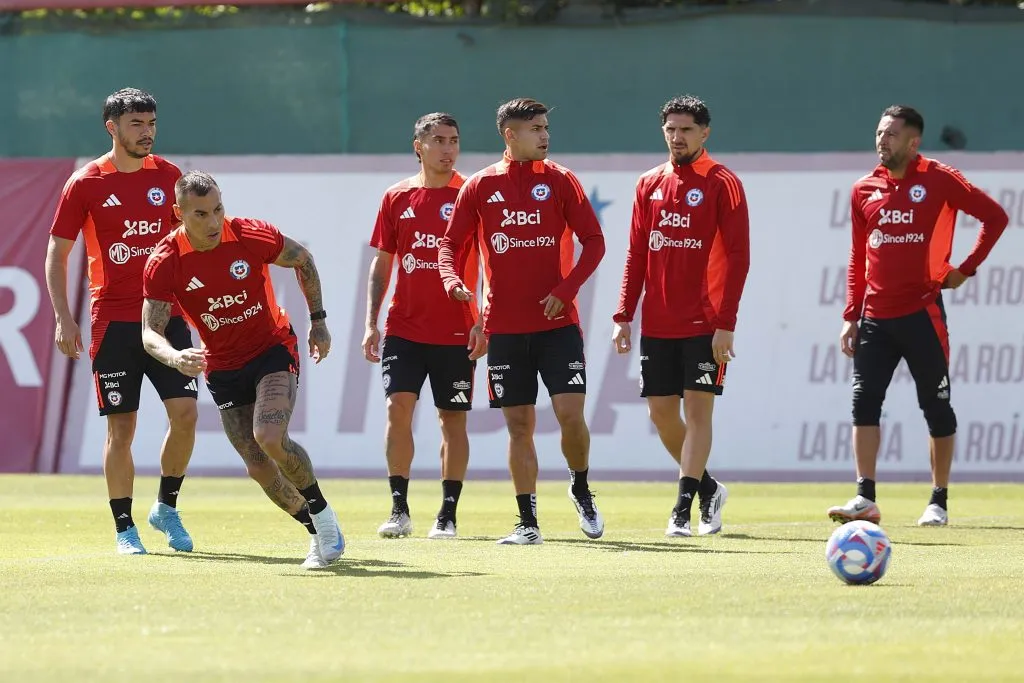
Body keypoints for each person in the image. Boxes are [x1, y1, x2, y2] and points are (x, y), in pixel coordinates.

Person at [141, 170, 345, 569]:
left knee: (269, 436)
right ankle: (316, 532)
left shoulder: (250, 235)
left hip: (272, 349)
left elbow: (303, 260)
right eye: (201, 214)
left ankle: (324, 518)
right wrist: (175, 357)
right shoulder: (165, 261)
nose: (214, 222)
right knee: (257, 465)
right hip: (222, 367)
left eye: (218, 209)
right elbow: (150, 332)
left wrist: (318, 321)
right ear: (179, 213)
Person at [829, 105, 1009, 527]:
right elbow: (858, 256)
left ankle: (938, 500)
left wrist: (965, 269)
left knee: (936, 405)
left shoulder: (940, 179)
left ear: (914, 142)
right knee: (863, 402)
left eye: (892, 134)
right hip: (875, 317)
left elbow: (995, 217)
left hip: (922, 313)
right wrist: (851, 314)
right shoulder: (863, 189)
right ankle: (865, 497)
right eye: (879, 132)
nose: (882, 140)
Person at [438, 97, 606, 545]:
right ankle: (527, 522)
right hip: (505, 328)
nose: (545, 135)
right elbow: (449, 245)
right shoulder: (480, 185)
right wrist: (452, 280)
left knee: (570, 414)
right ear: (510, 135)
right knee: (518, 425)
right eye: (535, 129)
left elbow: (594, 242)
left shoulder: (561, 180)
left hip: (558, 325)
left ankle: (581, 486)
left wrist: (565, 290)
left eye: (546, 127)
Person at [44, 87, 198, 556]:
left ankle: (166, 506)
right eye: (137, 124)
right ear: (112, 128)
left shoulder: (169, 176)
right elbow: (57, 253)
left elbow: (189, 244)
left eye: (151, 123)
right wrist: (63, 318)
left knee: (186, 414)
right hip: (112, 321)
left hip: (166, 317)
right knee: (121, 429)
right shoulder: (85, 182)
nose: (147, 133)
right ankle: (124, 528)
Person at [612, 94, 751, 538]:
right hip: (658, 322)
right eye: (670, 129)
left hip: (705, 323)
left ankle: (682, 508)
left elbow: (739, 257)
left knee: (698, 411)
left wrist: (726, 324)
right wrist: (623, 314)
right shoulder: (649, 183)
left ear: (705, 132)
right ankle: (709, 489)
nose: (677, 137)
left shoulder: (723, 182)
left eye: (686, 129)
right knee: (660, 414)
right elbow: (636, 253)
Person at [362, 112, 484, 540]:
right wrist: (371, 323)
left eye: (454, 140)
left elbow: (492, 262)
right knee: (397, 408)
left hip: (457, 329)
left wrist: (483, 319)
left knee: (452, 420)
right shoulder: (397, 197)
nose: (449, 149)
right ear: (419, 146)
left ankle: (448, 513)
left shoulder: (472, 194)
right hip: (405, 327)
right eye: (439, 140)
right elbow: (383, 263)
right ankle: (399, 509)